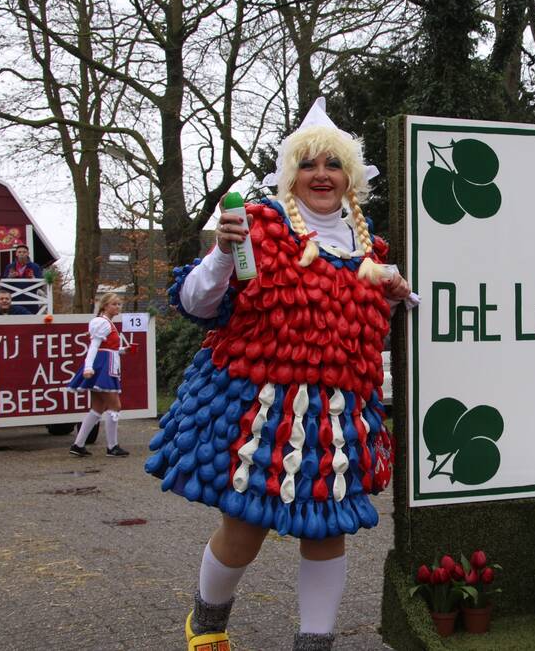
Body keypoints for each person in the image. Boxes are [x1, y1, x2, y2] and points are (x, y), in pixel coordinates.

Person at [144, 98, 413, 651]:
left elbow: (358, 335)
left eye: (333, 164)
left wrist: (394, 298)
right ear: (291, 175)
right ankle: (207, 624)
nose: (321, 174)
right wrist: (222, 253)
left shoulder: (372, 252)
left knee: (328, 532)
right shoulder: (257, 226)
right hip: (259, 408)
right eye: (308, 164)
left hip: (336, 416)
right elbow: (196, 304)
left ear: (350, 177)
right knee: (244, 529)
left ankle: (314, 644)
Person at [66, 292, 131, 458]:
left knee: (98, 407)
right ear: (105, 306)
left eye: (119, 304)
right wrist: (88, 367)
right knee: (115, 406)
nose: (117, 307)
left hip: (105, 364)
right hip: (103, 366)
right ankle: (112, 446)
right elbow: (94, 346)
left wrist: (123, 350)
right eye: (114, 304)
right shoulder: (103, 322)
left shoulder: (106, 322)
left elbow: (106, 347)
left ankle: (78, 444)